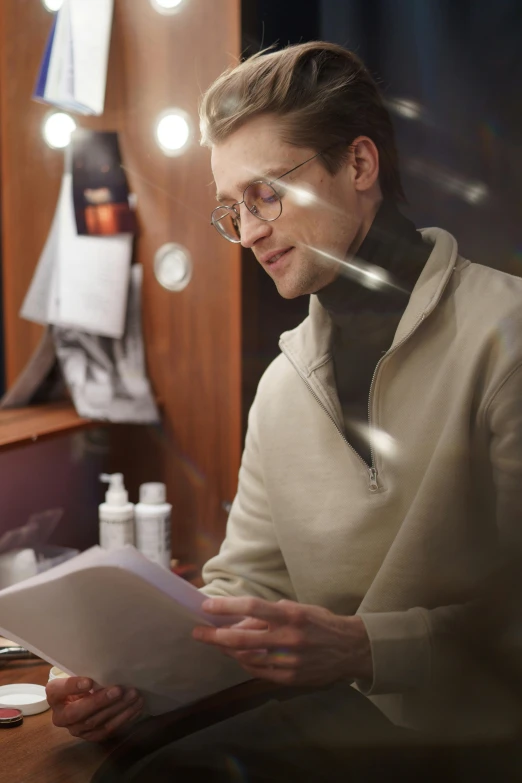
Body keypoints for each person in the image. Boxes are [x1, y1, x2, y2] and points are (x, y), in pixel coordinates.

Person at [46, 42, 522, 780]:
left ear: (359, 166)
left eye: (266, 193)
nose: (251, 231)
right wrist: (124, 677)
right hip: (355, 715)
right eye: (231, 210)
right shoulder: (284, 384)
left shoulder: (508, 336)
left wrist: (367, 646)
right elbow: (243, 592)